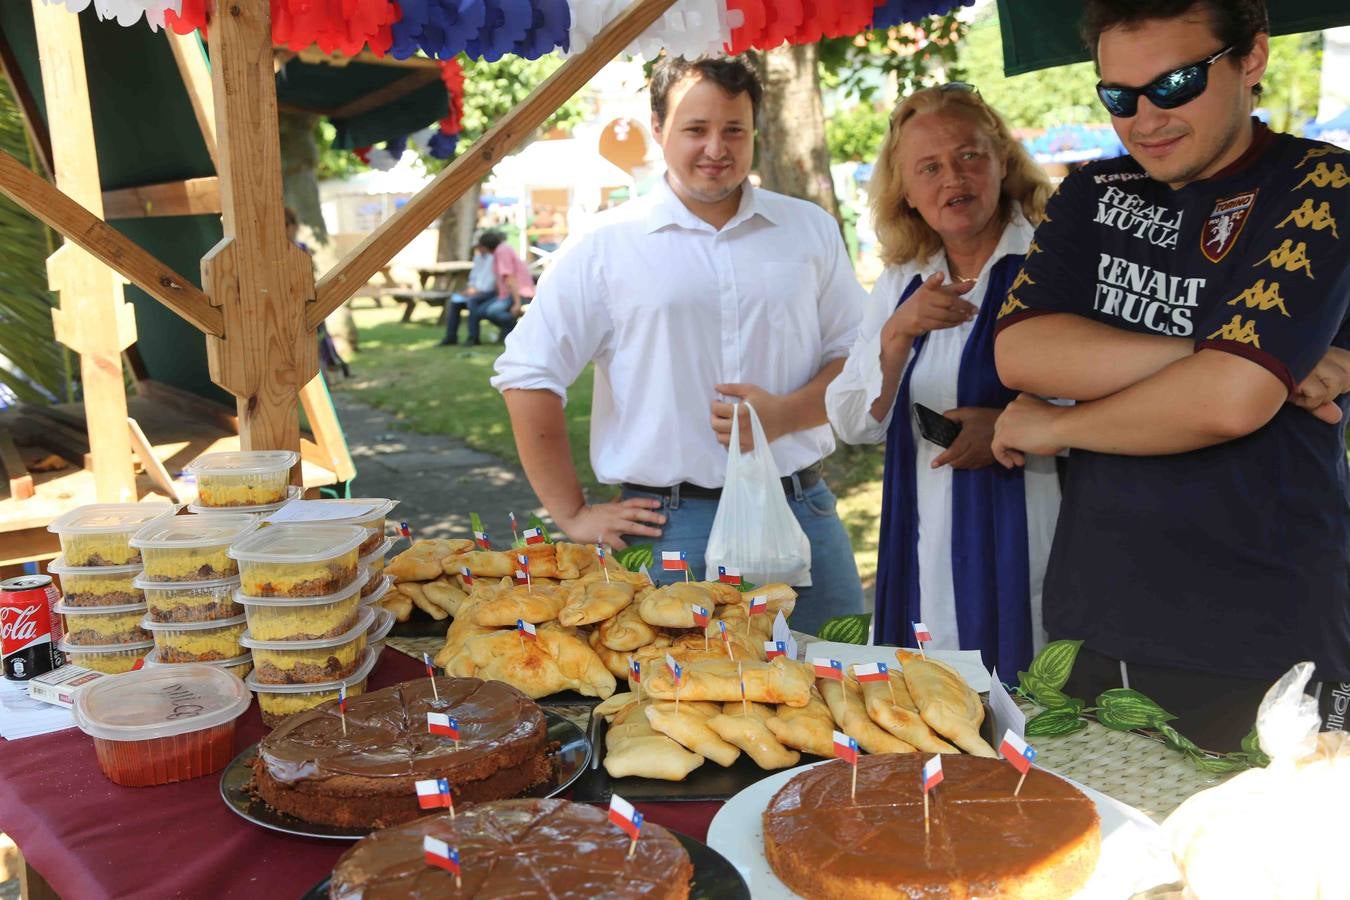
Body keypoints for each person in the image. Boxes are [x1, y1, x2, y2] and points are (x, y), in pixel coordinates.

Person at [991, 0, 1350, 750]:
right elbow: (1022, 352)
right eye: (1118, 96)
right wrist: (1254, 355)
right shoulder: (1091, 191)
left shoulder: (1323, 183)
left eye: (1176, 83)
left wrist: (1057, 424)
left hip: (1271, 625)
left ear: (1251, 58)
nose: (1144, 118)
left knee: (1276, 862)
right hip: (1093, 619)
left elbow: (1227, 402)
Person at [491, 55, 867, 635]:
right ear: (658, 129)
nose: (716, 147)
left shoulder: (808, 229)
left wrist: (785, 414)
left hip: (801, 509)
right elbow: (527, 374)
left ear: (753, 132)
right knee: (673, 711)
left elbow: (857, 355)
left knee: (843, 685)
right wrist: (571, 513)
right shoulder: (605, 244)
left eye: (733, 129)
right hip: (670, 524)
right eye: (696, 129)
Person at [825, 85, 1058, 677]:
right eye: (929, 167)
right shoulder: (904, 278)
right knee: (935, 706)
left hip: (1034, 527)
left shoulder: (1053, 258)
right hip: (924, 535)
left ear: (1002, 160)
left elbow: (1109, 392)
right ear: (905, 189)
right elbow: (853, 421)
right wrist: (897, 335)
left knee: (1035, 701)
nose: (952, 178)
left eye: (969, 156)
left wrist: (1010, 424)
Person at [465, 230, 535, 345]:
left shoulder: (502, 251)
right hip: (507, 294)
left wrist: (517, 304)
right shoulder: (501, 250)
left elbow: (510, 278)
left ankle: (516, 330)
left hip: (519, 292)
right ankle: (508, 331)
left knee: (492, 311)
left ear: (486, 246)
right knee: (481, 311)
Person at [438, 241, 498, 346]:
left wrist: (474, 291)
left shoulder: (493, 259)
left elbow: (491, 282)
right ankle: (451, 337)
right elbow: (473, 278)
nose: (479, 249)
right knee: (455, 301)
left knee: (472, 302)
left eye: (480, 247)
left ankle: (473, 337)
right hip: (475, 292)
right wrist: (469, 289)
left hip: (489, 293)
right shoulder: (478, 259)